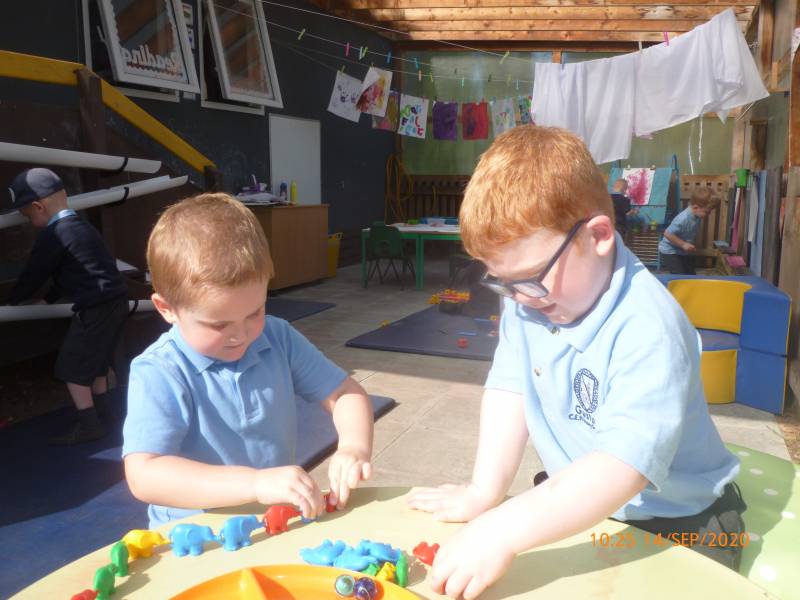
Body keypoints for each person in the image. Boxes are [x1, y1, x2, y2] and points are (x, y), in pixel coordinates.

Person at [407, 126, 743, 599]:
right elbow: (509, 388)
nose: (519, 299)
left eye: (530, 278)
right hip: (583, 495)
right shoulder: (530, 295)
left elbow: (622, 466)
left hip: (680, 520)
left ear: (599, 235)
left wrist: (503, 529)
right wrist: (484, 491)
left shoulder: (648, 327)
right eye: (503, 282)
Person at [122, 193, 374, 529]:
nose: (240, 335)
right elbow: (144, 474)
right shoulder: (161, 371)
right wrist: (255, 483)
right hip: (195, 538)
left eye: (255, 312)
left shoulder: (276, 337)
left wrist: (353, 447)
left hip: (272, 524)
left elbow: (344, 393)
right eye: (219, 325)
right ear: (167, 309)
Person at [4, 168, 128, 445]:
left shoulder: (54, 234)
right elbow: (69, 273)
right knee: (97, 362)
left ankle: (89, 425)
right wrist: (48, 300)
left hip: (96, 307)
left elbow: (35, 273)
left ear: (38, 207)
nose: (30, 221)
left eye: (27, 216)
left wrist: (13, 300)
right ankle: (105, 412)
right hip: (116, 301)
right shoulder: (83, 228)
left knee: (72, 367)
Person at [658, 188, 719, 274]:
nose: (709, 214)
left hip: (681, 251)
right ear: (695, 207)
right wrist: (683, 244)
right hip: (669, 251)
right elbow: (667, 234)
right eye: (707, 212)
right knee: (680, 275)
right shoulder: (683, 218)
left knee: (691, 274)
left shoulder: (697, 215)